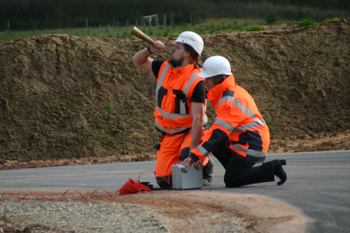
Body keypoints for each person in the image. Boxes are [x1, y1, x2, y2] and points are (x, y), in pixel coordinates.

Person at [183, 55, 287, 187]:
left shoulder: (229, 100)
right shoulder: (228, 91)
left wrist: (195, 155)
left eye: (207, 78)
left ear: (218, 77)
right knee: (213, 143)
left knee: (232, 180)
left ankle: (273, 168)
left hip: (252, 144)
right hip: (244, 140)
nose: (204, 81)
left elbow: (218, 133)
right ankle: (238, 171)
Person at [131, 31, 214, 188]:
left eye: (177, 47)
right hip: (169, 135)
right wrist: (150, 50)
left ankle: (206, 164)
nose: (172, 49)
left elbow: (197, 119)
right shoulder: (164, 67)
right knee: (165, 181)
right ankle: (189, 159)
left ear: (187, 54)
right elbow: (137, 61)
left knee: (187, 156)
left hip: (191, 132)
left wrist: (194, 153)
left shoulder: (196, 81)